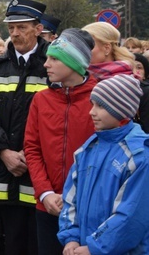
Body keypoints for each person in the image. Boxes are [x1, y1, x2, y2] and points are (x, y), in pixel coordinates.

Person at [0, 0, 49, 255]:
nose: (15, 33)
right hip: (3, 171)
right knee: (6, 244)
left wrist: (30, 156)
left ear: (38, 29)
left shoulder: (52, 67)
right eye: (11, 27)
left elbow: (55, 122)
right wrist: (4, 152)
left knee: (39, 244)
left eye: (22, 27)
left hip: (41, 173)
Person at [23, 29, 98, 255]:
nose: (46, 64)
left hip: (89, 208)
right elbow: (32, 149)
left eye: (54, 58)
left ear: (74, 62)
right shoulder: (41, 99)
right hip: (48, 206)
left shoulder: (101, 97)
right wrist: (45, 193)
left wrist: (80, 197)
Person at [57, 74, 149, 254]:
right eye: (93, 104)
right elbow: (70, 199)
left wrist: (94, 247)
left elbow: (131, 217)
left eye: (101, 106)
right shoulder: (88, 149)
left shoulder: (139, 156)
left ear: (120, 110)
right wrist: (71, 237)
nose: (92, 112)